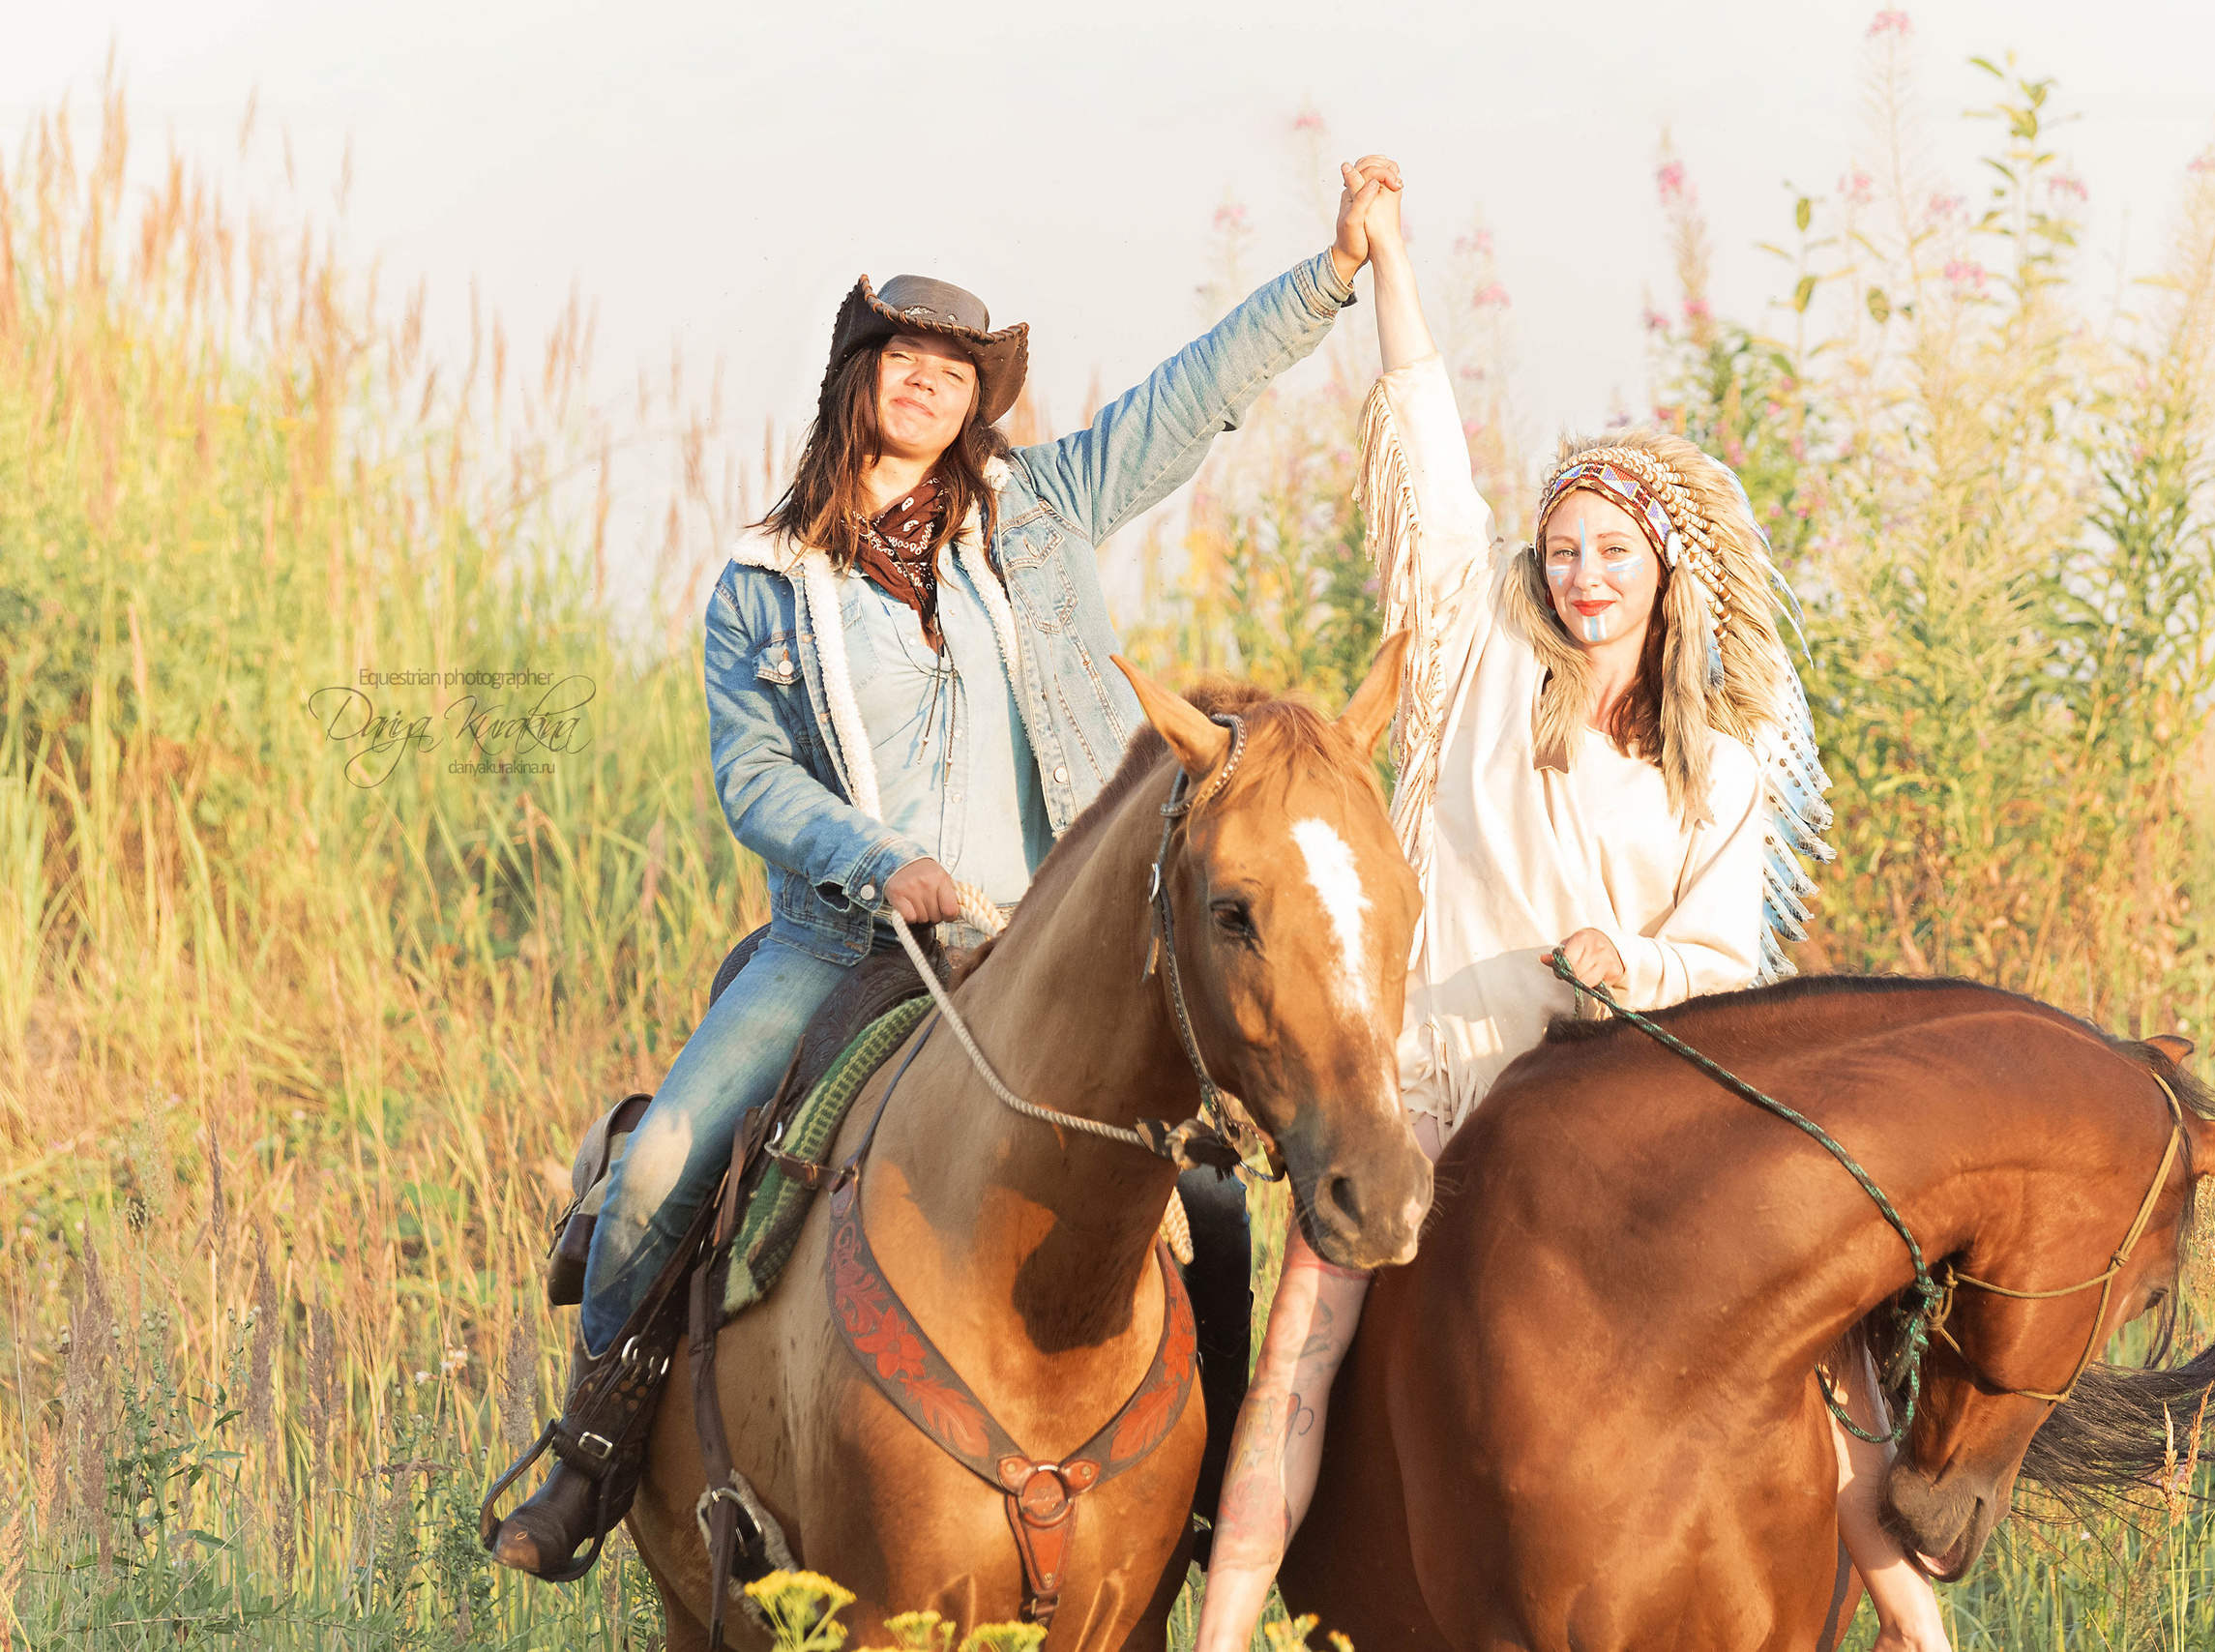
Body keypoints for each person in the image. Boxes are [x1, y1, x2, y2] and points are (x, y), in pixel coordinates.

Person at [489, 156, 1407, 1578]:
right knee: (669, 1151)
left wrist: (1332, 274)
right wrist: (881, 862)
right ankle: (597, 1450)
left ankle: (1219, 1502)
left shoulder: (1035, 516)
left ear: (983, 399)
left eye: (955, 367)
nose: (927, 381)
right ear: (856, 378)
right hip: (843, 939)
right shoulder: (763, 579)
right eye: (903, 357)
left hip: (1035, 936)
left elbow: (1185, 405)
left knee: (1212, 1196)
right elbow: (753, 776)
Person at [1192, 167, 1952, 1651]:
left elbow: (1727, 956)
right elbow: (1424, 459)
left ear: (1666, 572)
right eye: (1566, 547)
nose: (1583, 573)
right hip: (1446, 1079)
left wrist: (1629, 961)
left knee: (1836, 1358)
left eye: (1614, 552)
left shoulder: (1715, 756)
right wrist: (1393, 262)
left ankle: (1921, 1632)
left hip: (1642, 1087)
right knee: (1299, 1353)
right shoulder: (1480, 664)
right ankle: (1223, 1633)